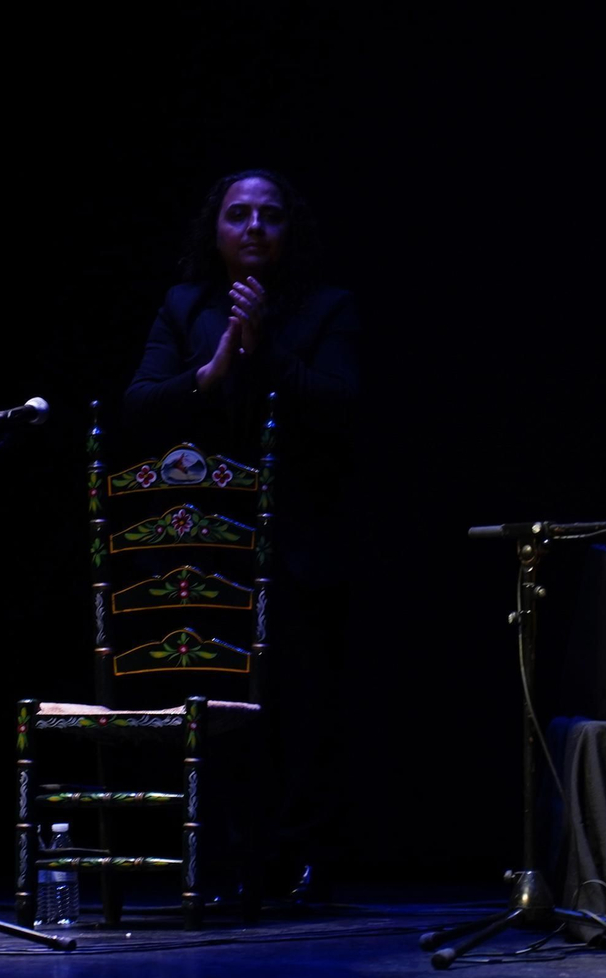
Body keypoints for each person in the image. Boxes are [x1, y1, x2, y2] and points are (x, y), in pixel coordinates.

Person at [124, 169, 360, 900]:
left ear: (290, 231)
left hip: (295, 546)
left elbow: (341, 409)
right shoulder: (184, 305)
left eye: (270, 215)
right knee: (217, 707)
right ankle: (225, 859)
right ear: (216, 230)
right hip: (203, 551)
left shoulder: (326, 308)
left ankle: (303, 860)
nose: (254, 227)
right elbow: (138, 410)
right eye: (238, 214)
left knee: (300, 706)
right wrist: (216, 365)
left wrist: (265, 353)